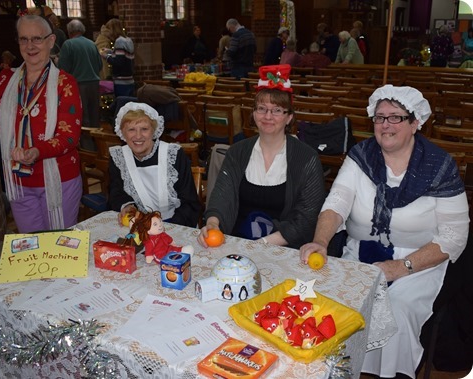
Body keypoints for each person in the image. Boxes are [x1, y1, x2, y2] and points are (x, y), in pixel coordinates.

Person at [299, 85, 469, 379]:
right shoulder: (361, 156)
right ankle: (333, 370)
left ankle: (389, 374)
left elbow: (454, 236)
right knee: (330, 297)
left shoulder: (440, 166)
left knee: (397, 310)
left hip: (418, 262)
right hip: (360, 252)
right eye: (379, 118)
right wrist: (321, 241)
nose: (386, 125)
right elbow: (336, 204)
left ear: (415, 123)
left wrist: (400, 267)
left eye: (395, 117)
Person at [0, 13, 83, 233]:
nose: (30, 45)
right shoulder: (4, 80)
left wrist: (36, 151)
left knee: (60, 250)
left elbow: (69, 136)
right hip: (18, 182)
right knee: (31, 250)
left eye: (37, 39)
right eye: (24, 39)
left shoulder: (64, 83)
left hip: (59, 180)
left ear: (50, 41)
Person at [198, 64, 326, 249]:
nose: (268, 116)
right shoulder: (237, 152)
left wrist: (262, 244)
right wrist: (212, 224)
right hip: (237, 242)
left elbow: (306, 218)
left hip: (283, 247)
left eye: (277, 110)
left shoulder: (307, 158)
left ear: (289, 117)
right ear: (253, 113)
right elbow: (221, 197)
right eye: (261, 108)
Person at [108, 102, 201, 228]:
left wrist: (165, 228)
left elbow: (190, 203)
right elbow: (117, 192)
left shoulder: (173, 155)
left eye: (144, 129)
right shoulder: (119, 157)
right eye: (131, 130)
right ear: (122, 133)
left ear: (154, 131)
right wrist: (127, 206)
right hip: (140, 224)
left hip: (177, 223)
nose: (138, 136)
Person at [58, 19, 102, 134]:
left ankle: (86, 148)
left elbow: (63, 69)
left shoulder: (68, 44)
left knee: (83, 118)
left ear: (69, 32)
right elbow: (100, 65)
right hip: (94, 85)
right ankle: (97, 146)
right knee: (94, 117)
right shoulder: (92, 44)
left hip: (78, 85)